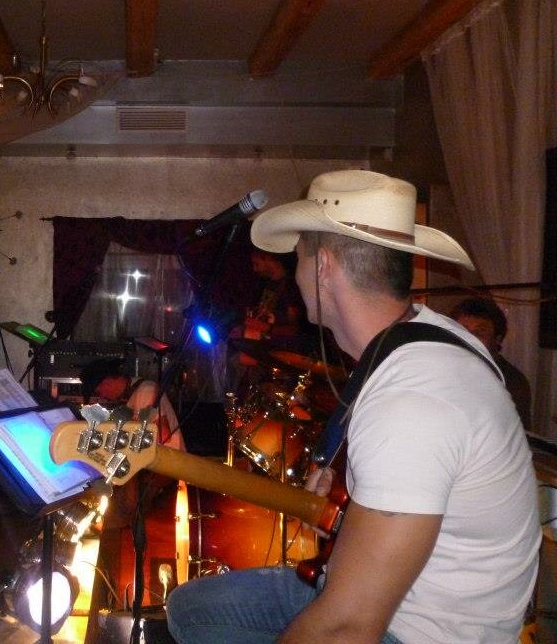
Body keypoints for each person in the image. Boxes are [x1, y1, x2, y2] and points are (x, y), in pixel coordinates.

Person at [166, 170, 540, 643]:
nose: (295, 272)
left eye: (299, 254)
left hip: (421, 631)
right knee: (191, 609)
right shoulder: (421, 335)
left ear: (323, 266)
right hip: (402, 595)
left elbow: (346, 629)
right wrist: (343, 479)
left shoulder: (412, 401)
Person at [450, 296, 533, 429]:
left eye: (479, 332)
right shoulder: (444, 366)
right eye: (462, 331)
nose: (469, 338)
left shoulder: (511, 381)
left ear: (497, 339)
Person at [79, 356, 185, 451]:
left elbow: (162, 435)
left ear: (107, 382)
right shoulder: (132, 397)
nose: (102, 397)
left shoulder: (146, 391)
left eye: (98, 392)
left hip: (170, 463)